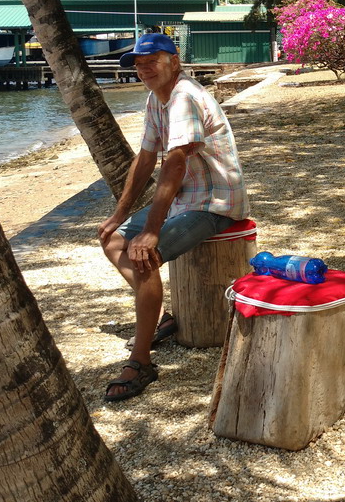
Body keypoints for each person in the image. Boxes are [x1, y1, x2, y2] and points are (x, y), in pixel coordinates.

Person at [97, 33, 249, 401]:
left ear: (175, 62)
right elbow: (146, 157)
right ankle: (160, 315)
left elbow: (176, 162)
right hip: (185, 200)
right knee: (112, 239)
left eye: (152, 61)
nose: (143, 69)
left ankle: (141, 361)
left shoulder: (183, 96)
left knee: (145, 254)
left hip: (215, 202)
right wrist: (119, 215)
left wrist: (151, 230)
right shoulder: (156, 98)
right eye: (138, 63)